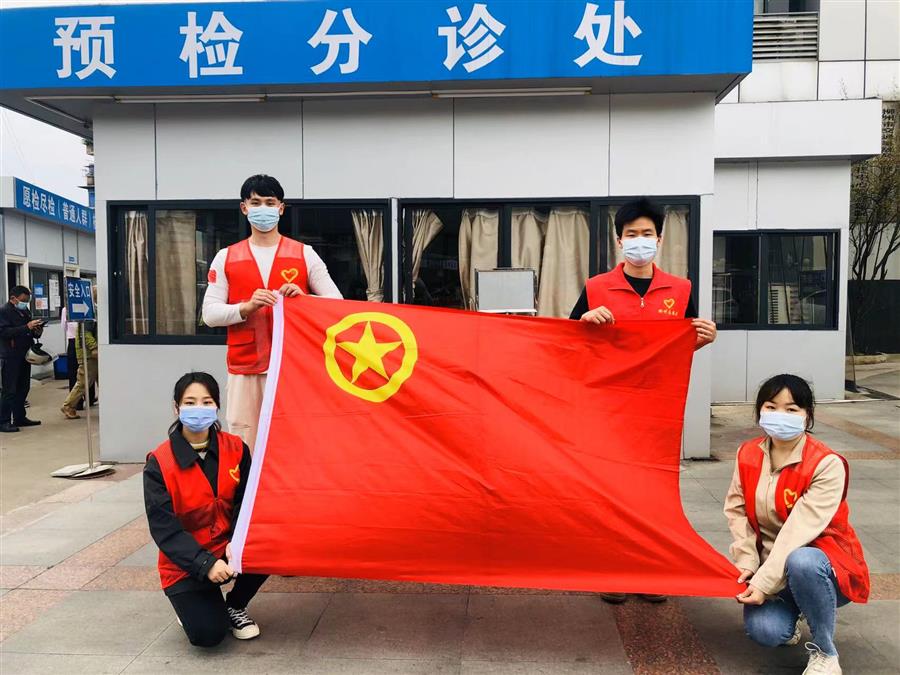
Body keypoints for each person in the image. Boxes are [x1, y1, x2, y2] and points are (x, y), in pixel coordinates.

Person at [570, 198, 717, 604]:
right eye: (631, 234)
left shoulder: (681, 290)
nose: (640, 241)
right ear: (619, 241)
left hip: (657, 409)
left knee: (654, 490)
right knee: (613, 490)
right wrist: (584, 322)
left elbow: (678, 344)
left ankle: (651, 570)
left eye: (647, 234)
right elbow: (568, 342)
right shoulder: (596, 287)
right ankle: (615, 569)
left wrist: (702, 340)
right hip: (608, 408)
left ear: (660, 239)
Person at [725, 374, 869, 675]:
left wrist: (763, 583)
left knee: (801, 560)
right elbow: (737, 512)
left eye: (791, 409)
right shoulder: (747, 453)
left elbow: (798, 532)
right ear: (759, 410)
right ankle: (801, 607)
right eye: (771, 407)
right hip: (771, 565)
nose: (780, 415)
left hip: (823, 566)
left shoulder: (826, 464)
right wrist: (748, 562)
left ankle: (825, 652)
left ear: (807, 415)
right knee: (766, 632)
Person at [202, 174, 342, 452]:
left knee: (296, 438)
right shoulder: (226, 256)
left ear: (281, 208)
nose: (263, 208)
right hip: (245, 366)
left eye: (269, 202)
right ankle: (247, 482)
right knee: (245, 437)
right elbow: (210, 314)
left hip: (294, 365)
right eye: (256, 203)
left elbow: (336, 304)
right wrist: (246, 307)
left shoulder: (305, 254)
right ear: (244, 208)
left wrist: (304, 300)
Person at [143, 371, 268, 647]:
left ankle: (235, 605)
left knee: (271, 543)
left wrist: (236, 544)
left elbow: (245, 504)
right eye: (190, 403)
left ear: (217, 406)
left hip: (226, 546)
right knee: (209, 635)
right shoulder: (159, 463)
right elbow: (165, 530)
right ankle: (194, 608)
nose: (198, 408)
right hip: (185, 561)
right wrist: (205, 564)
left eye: (207, 402)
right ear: (176, 408)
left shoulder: (236, 449)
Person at [0, 286, 44, 432]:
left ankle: (19, 417)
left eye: (27, 300)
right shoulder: (4, 311)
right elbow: (4, 332)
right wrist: (27, 327)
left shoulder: (25, 311)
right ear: (13, 298)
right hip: (10, 355)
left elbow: (29, 330)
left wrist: (37, 330)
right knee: (9, 389)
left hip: (25, 354)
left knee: (23, 387)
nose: (25, 303)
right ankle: (4, 421)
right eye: (23, 300)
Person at [61, 316, 99, 419]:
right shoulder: (89, 315)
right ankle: (68, 405)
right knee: (83, 382)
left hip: (90, 353)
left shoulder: (91, 313)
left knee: (96, 382)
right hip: (89, 354)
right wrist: (94, 347)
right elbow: (85, 332)